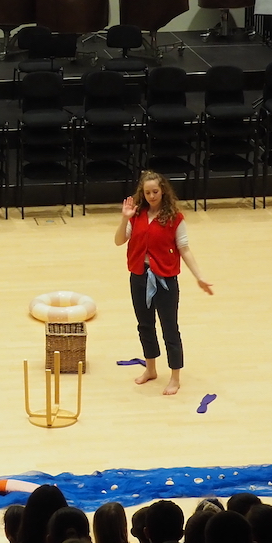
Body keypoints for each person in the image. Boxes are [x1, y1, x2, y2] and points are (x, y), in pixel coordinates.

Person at [114, 170, 213, 396]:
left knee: (169, 328)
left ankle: (175, 377)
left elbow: (184, 249)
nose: (151, 196)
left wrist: (199, 277)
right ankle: (150, 369)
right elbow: (119, 241)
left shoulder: (174, 218)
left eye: (155, 192)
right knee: (145, 324)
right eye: (147, 192)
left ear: (163, 191)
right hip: (139, 276)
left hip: (165, 280)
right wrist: (125, 218)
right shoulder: (136, 215)